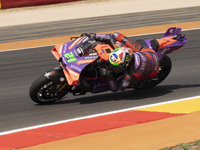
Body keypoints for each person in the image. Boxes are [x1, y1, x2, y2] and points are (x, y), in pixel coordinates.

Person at [74, 32, 159, 93]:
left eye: (116, 66)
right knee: (116, 35)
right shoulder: (120, 48)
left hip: (153, 65)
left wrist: (109, 75)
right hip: (145, 53)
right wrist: (93, 36)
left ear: (125, 65)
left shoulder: (129, 75)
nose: (111, 66)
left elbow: (116, 88)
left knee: (132, 82)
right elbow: (110, 37)